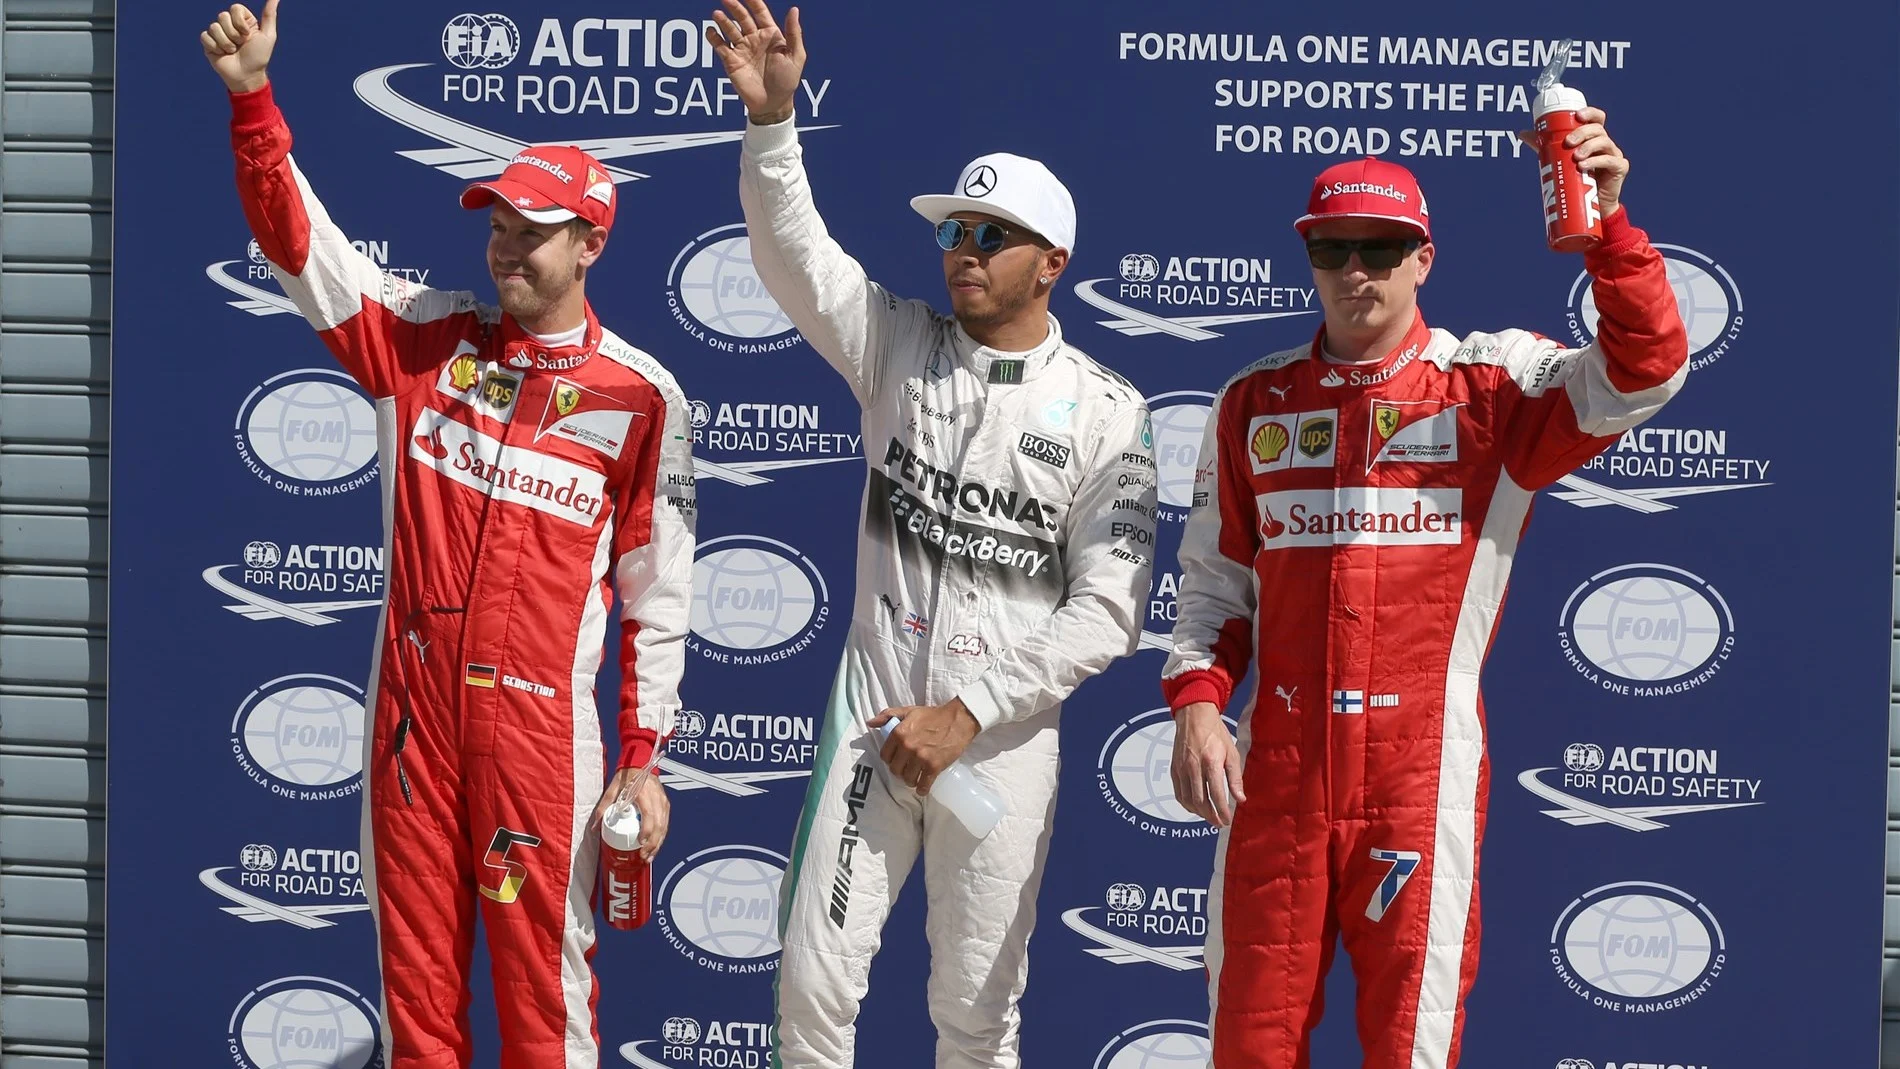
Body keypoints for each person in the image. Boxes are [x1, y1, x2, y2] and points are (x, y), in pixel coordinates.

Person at [202, 4, 697, 1066]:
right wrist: (255, 102)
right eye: (498, 226)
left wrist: (646, 760)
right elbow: (300, 245)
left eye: (534, 232)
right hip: (413, 727)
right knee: (418, 1008)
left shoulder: (645, 396)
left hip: (540, 742)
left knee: (543, 1010)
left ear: (592, 242)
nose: (507, 247)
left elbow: (661, 597)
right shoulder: (424, 339)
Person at [1161, 123, 1688, 1068]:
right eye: (1330, 247)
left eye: (1379, 248)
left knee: (1412, 1044)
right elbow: (1213, 588)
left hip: (1419, 770)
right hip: (1278, 768)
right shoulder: (1254, 401)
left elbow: (1642, 371)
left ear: (1423, 258)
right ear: (1309, 255)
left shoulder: (1488, 384)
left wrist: (1609, 228)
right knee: (1248, 1042)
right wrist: (1199, 707)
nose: (1353, 270)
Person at [706, 2, 1156, 1065]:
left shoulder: (1106, 410)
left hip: (998, 744)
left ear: (1051, 263)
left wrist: (970, 711)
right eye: (953, 231)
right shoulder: (899, 347)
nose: (961, 251)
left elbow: (1108, 610)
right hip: (874, 719)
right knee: (811, 990)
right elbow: (795, 260)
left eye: (988, 237)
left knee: (975, 1015)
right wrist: (772, 127)